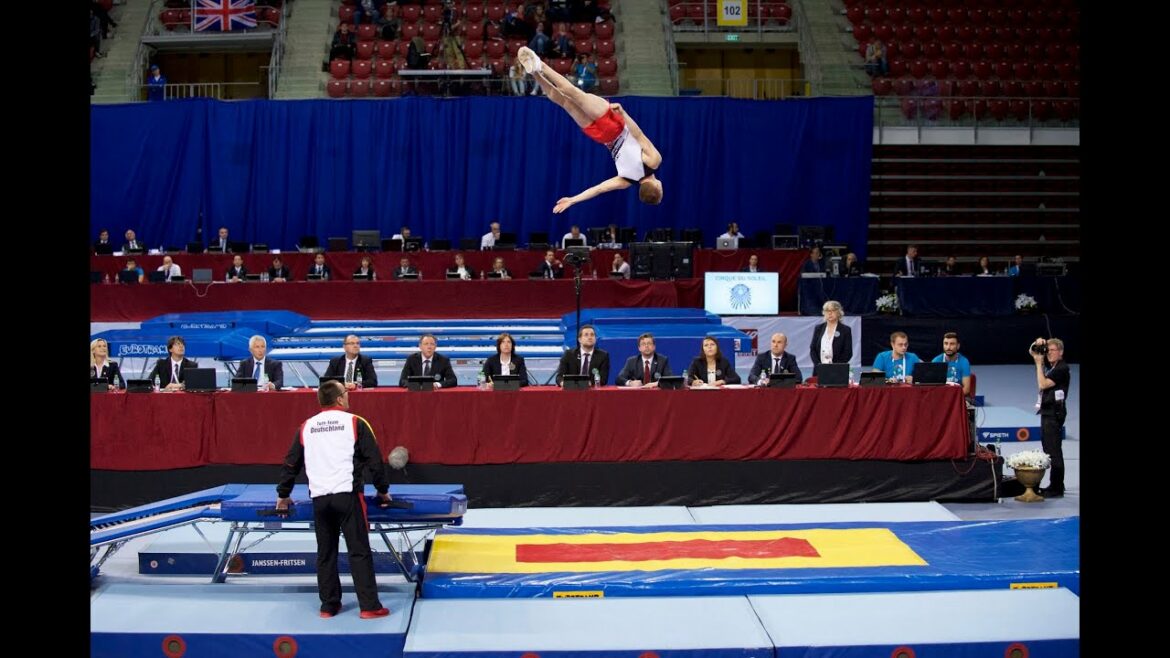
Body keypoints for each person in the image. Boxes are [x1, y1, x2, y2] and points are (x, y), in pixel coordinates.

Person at [275, 380, 391, 620]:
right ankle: (369, 606)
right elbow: (374, 461)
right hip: (347, 495)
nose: (348, 396)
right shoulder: (355, 422)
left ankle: (328, 606)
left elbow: (290, 463)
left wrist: (283, 495)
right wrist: (383, 490)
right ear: (339, 399)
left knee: (325, 553)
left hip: (320, 499)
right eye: (346, 393)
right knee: (358, 551)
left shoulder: (306, 426)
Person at [515, 46, 663, 213]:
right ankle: (534, 73)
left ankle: (541, 65)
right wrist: (572, 200)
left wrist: (623, 114)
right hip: (601, 137)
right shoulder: (625, 181)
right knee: (564, 102)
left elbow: (638, 134)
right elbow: (598, 189)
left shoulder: (654, 161)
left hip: (614, 126)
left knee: (575, 94)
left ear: (657, 186)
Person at [1030, 337, 1069, 497]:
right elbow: (1032, 351)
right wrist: (1037, 344)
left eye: (1052, 351)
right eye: (1048, 351)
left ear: (1060, 352)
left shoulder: (1061, 368)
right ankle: (1058, 483)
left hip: (1054, 412)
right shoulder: (1053, 366)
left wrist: (1039, 364)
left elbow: (1043, 384)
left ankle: (1056, 487)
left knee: (1053, 451)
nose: (1049, 354)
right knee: (1049, 448)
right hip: (1048, 411)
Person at [810, 300, 853, 365]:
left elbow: (848, 353)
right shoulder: (818, 328)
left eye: (833, 310)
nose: (830, 313)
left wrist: (834, 367)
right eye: (827, 311)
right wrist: (819, 365)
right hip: (819, 369)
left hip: (838, 370)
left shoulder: (846, 330)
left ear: (839, 313)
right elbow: (813, 349)